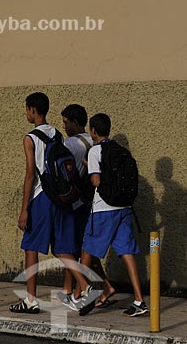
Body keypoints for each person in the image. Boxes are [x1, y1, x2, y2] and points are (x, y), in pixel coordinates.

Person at [11, 92, 98, 314]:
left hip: (40, 197)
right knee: (60, 247)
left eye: (27, 109)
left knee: (31, 246)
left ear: (32, 110)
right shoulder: (57, 135)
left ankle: (30, 300)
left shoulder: (30, 138)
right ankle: (85, 286)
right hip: (60, 198)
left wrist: (24, 209)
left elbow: (30, 174)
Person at [80, 113, 148, 317]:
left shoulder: (95, 151)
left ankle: (85, 291)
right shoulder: (122, 151)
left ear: (93, 131)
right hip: (124, 209)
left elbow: (95, 182)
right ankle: (138, 300)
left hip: (103, 209)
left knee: (86, 250)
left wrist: (89, 167)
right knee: (127, 252)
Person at [58, 105, 115, 310]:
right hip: (90, 202)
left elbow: (65, 173)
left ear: (75, 122)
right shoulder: (94, 142)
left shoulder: (70, 144)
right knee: (84, 248)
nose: (64, 126)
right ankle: (100, 287)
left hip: (74, 201)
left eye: (65, 122)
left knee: (66, 246)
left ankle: (79, 290)